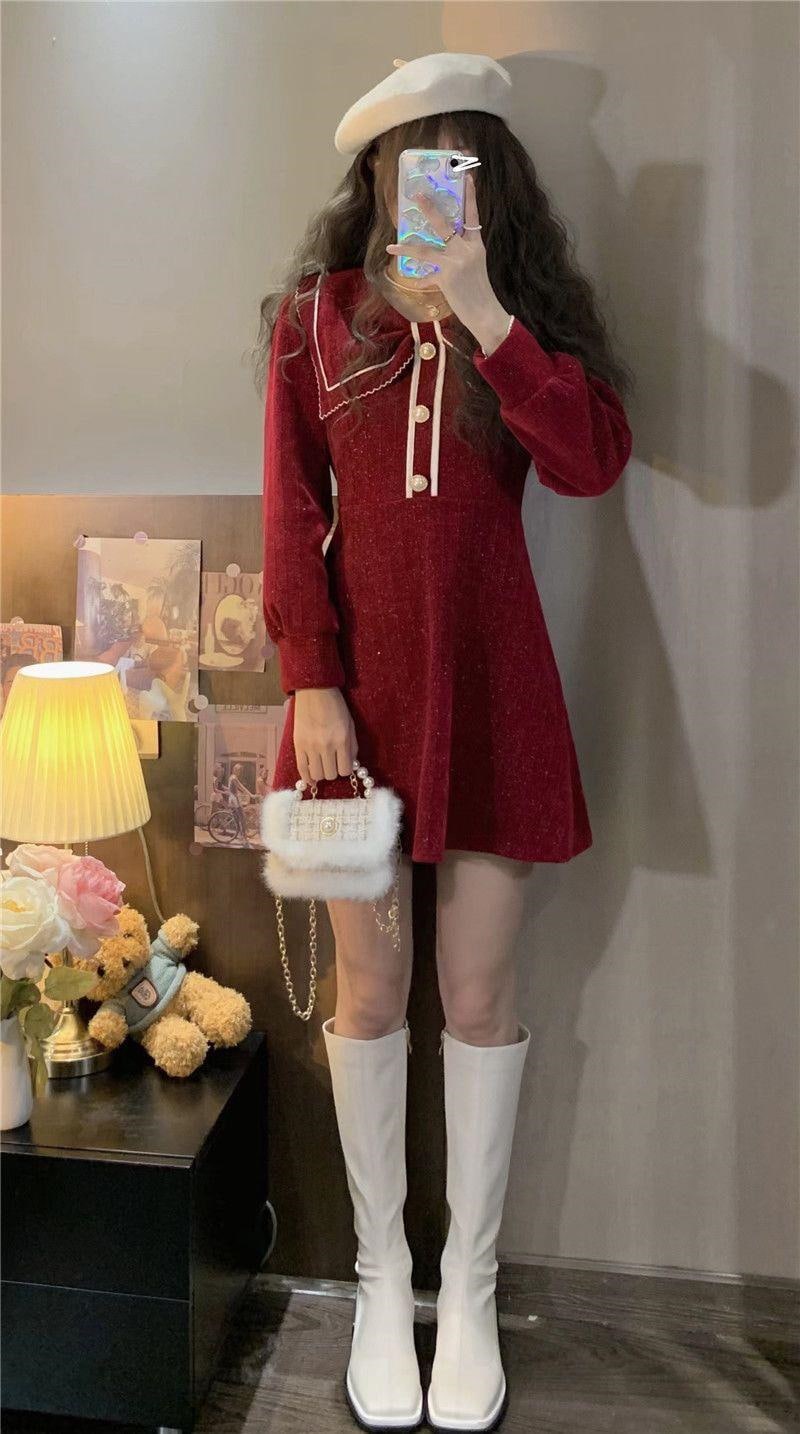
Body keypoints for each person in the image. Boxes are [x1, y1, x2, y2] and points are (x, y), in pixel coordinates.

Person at [257, 52, 633, 1434]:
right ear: (372, 177)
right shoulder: (315, 321)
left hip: (492, 693)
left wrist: (483, 310)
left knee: (477, 998)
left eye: (455, 164)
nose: (427, 186)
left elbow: (593, 461)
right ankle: (381, 1281)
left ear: (486, 185)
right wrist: (310, 678)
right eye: (408, 162)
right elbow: (290, 509)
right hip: (354, 702)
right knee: (369, 994)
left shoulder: (511, 317)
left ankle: (465, 1294)